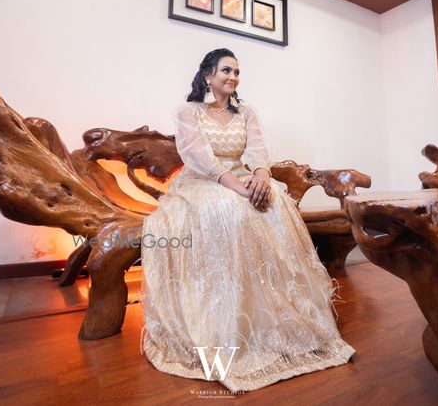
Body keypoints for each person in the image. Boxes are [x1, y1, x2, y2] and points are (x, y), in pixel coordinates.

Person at [140, 48, 355, 392]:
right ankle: (230, 321)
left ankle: (273, 316)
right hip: (204, 181)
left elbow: (256, 150)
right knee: (230, 208)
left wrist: (261, 177)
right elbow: (199, 157)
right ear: (208, 75)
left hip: (242, 177)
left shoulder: (246, 112)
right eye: (226, 70)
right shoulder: (188, 111)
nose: (233, 77)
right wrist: (238, 188)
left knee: (275, 203)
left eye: (237, 72)